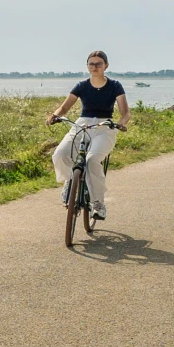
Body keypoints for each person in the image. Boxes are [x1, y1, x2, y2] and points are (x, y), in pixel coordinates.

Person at [45, 50, 130, 221]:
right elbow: (64, 108)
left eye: (99, 63)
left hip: (105, 126)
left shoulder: (115, 86)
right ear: (87, 66)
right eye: (91, 64)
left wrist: (121, 123)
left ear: (106, 66)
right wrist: (55, 115)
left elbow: (125, 112)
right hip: (82, 124)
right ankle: (71, 182)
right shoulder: (81, 86)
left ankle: (98, 203)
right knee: (60, 155)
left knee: (92, 160)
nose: (95, 67)